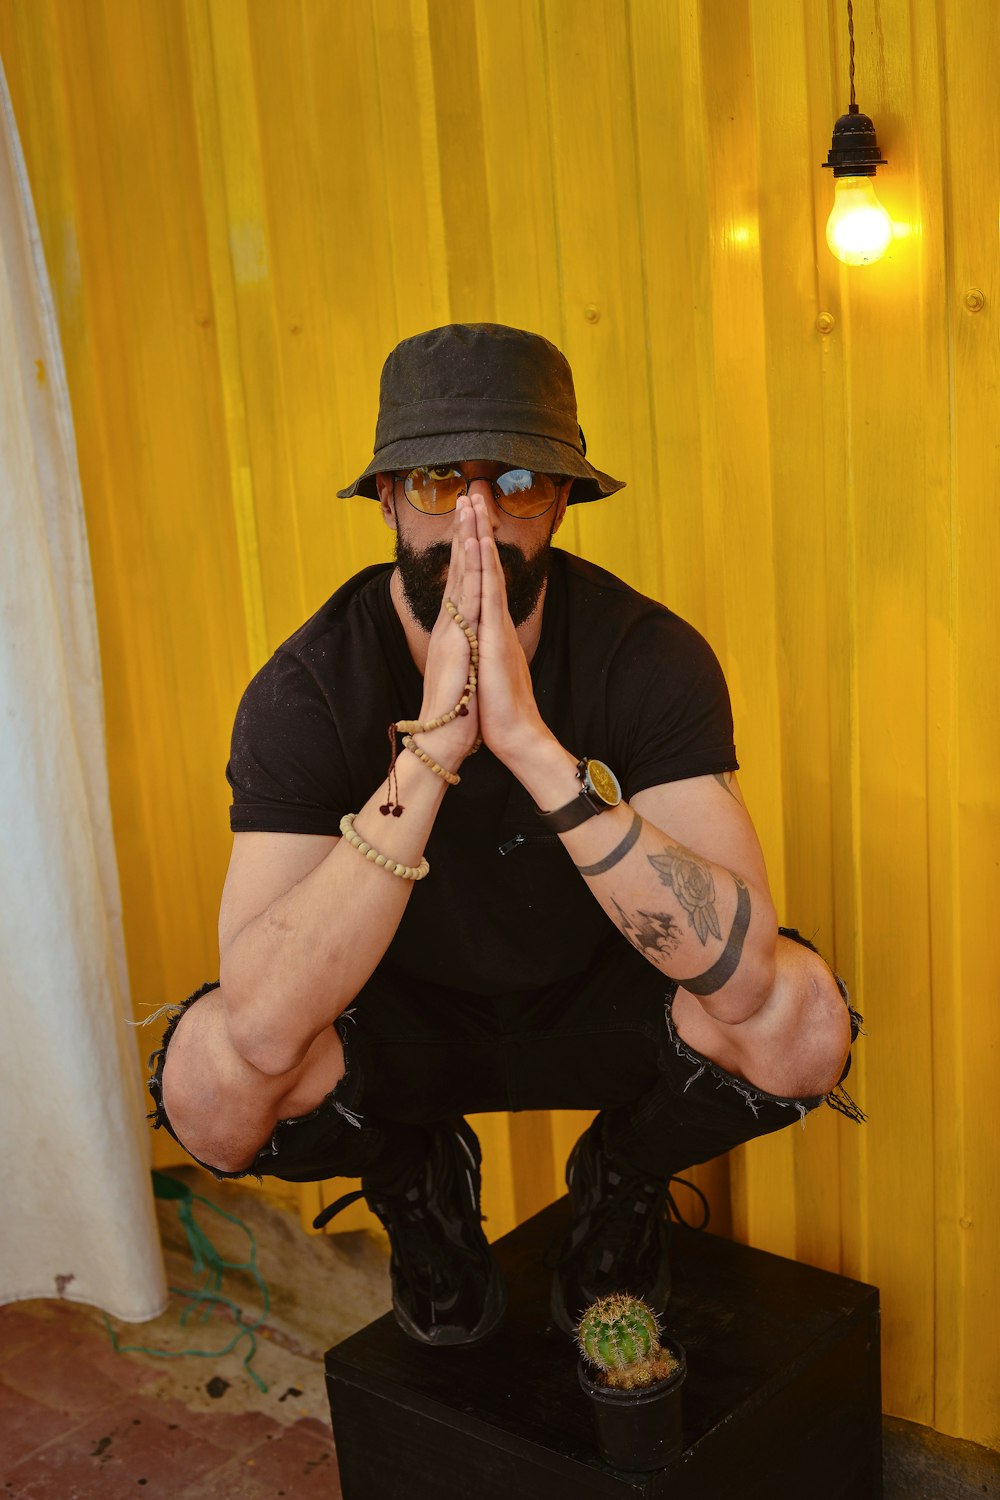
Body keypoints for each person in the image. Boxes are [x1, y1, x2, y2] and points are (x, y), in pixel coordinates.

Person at [150, 322, 863, 1348]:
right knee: (209, 1084)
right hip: (400, 1030)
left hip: (604, 1007)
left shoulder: (645, 655)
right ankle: (411, 1177)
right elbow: (259, 1029)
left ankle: (622, 1177)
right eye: (439, 482)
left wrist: (530, 747)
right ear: (389, 499)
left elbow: (747, 984)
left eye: (518, 479)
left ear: (561, 502)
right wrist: (434, 750)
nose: (476, 517)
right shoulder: (307, 689)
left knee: (800, 1023)